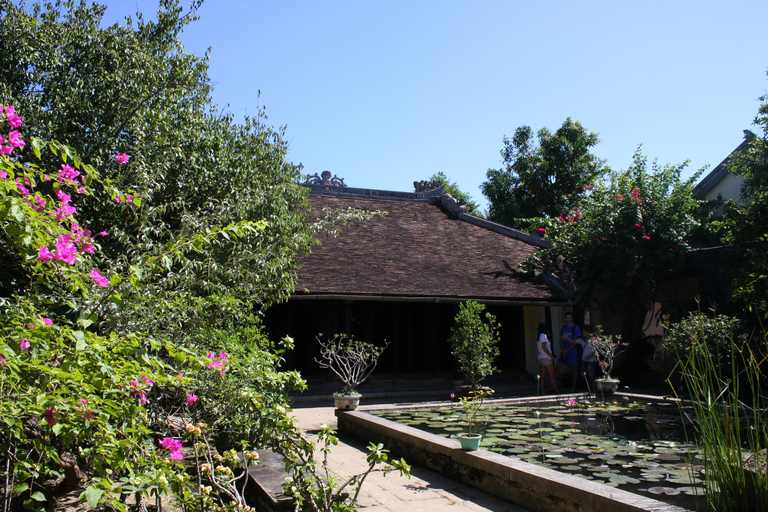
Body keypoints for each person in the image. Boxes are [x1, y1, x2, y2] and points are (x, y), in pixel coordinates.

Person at [555, 312, 582, 392]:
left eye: (569, 317)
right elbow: (561, 340)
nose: (568, 319)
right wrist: (563, 350)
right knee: (558, 367)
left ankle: (573, 387)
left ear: (572, 318)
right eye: (567, 317)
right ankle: (554, 385)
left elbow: (576, 341)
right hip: (564, 351)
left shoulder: (575, 328)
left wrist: (567, 350)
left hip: (572, 351)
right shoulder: (563, 328)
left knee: (574, 369)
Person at [536, 321, 559, 395]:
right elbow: (544, 347)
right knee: (552, 375)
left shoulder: (539, 336)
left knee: (543, 376)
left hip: (541, 357)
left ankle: (543, 391)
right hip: (546, 357)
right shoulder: (543, 336)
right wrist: (551, 356)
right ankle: (557, 391)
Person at [577, 325, 597, 393]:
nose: (583, 332)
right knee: (584, 376)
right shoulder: (582, 339)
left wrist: (589, 356)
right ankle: (588, 389)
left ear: (588, 332)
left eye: (584, 331)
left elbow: (596, 351)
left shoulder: (594, 340)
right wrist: (567, 338)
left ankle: (594, 390)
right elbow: (575, 342)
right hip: (584, 360)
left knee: (591, 376)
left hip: (591, 360)